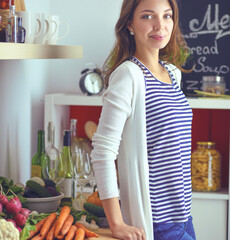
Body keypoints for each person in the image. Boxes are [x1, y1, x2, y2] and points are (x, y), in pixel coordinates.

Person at [91, 0, 196, 239]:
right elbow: (103, 152)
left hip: (184, 216)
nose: (160, 25)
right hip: (157, 221)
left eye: (167, 16)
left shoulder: (172, 73)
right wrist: (116, 223)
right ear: (130, 24)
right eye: (148, 17)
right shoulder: (128, 76)